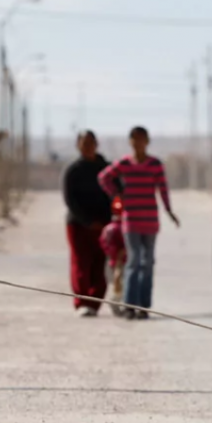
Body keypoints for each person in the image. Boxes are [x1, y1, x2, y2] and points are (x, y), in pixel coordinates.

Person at [98, 126, 179, 320]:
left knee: (148, 262)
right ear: (131, 142)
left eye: (141, 139)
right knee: (133, 261)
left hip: (150, 221)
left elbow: (163, 189)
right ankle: (129, 305)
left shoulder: (155, 165)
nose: (138, 143)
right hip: (131, 221)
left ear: (147, 141)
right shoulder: (125, 164)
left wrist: (169, 211)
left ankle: (144, 306)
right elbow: (104, 177)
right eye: (135, 139)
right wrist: (117, 195)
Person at [61, 130, 112, 317]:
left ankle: (95, 301)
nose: (88, 146)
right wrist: (88, 221)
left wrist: (106, 220)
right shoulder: (73, 170)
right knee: (81, 262)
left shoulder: (107, 169)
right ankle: (81, 301)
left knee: (100, 264)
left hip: (104, 226)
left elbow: (115, 194)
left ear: (96, 144)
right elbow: (69, 199)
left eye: (91, 142)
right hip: (78, 225)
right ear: (78, 145)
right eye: (84, 143)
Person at [100, 196, 126, 316]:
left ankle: (117, 303)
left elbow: (102, 243)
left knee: (116, 285)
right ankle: (116, 303)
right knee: (120, 286)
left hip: (111, 262)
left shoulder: (107, 229)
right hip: (122, 263)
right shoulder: (125, 229)